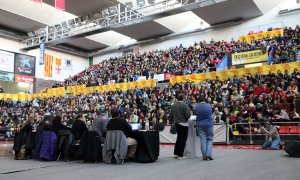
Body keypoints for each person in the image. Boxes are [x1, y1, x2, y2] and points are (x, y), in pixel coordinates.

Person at [170, 93, 191, 160]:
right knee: (183, 139)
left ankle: (176, 153)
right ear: (183, 98)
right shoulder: (184, 105)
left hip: (176, 123)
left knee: (179, 138)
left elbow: (171, 115)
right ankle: (180, 155)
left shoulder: (173, 105)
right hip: (184, 124)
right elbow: (188, 115)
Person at [194, 95, 214, 161]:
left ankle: (204, 156)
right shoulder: (209, 105)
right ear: (204, 99)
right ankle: (209, 154)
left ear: (199, 100)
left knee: (203, 140)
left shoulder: (196, 107)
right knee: (210, 139)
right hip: (209, 124)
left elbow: (196, 114)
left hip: (200, 125)